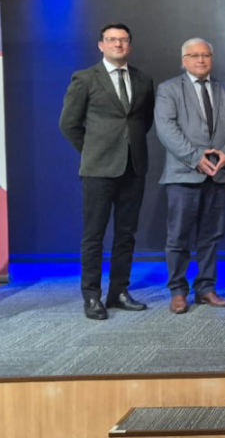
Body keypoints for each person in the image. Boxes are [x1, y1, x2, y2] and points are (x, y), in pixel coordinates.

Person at [59, 22, 155, 320]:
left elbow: (144, 122)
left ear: (130, 45)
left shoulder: (142, 79)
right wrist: (92, 152)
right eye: (111, 40)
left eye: (123, 40)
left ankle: (119, 291)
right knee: (94, 236)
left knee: (126, 234)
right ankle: (92, 297)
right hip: (98, 170)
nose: (118, 45)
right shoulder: (85, 78)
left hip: (134, 167)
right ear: (100, 45)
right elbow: (69, 124)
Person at [155, 38, 225, 314]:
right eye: (194, 56)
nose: (201, 60)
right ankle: (178, 291)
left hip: (217, 174)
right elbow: (166, 128)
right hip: (183, 175)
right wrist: (196, 159)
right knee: (178, 237)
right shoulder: (169, 90)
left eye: (206, 55)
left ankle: (205, 288)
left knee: (211, 236)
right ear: (183, 60)